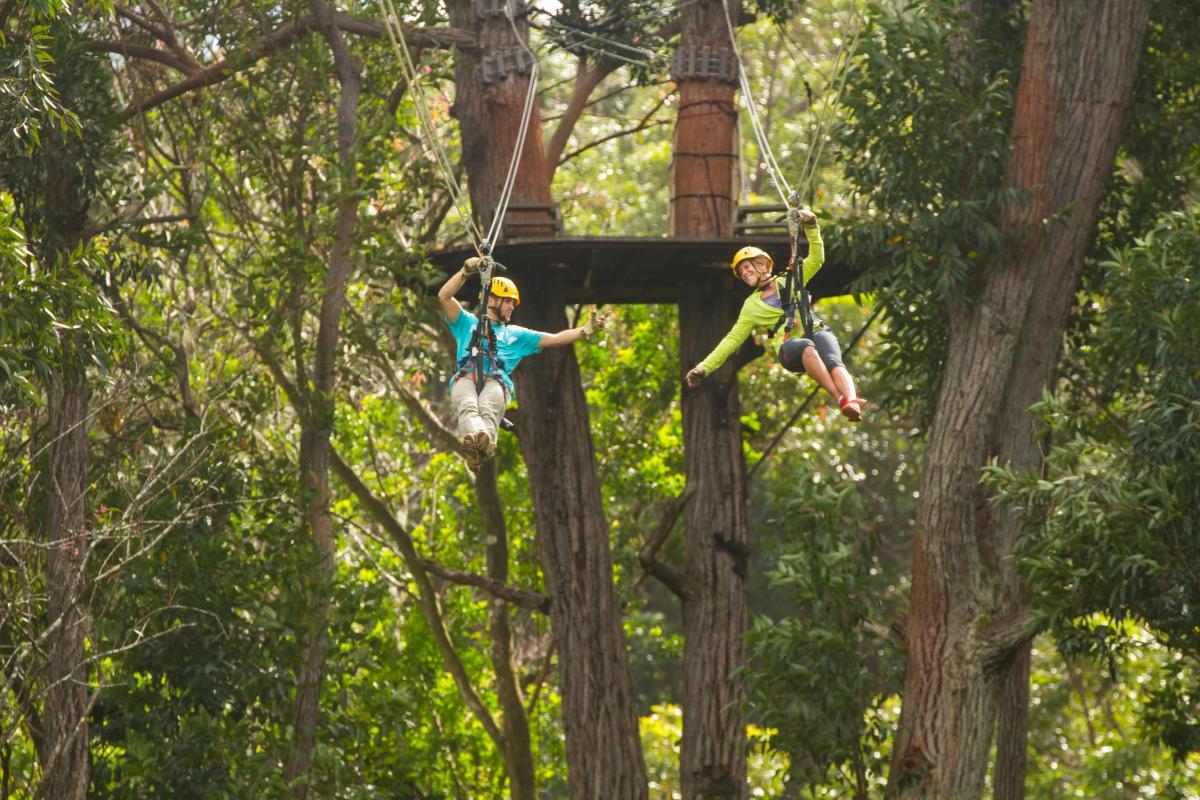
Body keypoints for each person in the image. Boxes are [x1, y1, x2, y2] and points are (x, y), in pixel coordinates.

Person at [684, 209, 866, 421]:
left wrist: (812, 226)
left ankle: (852, 400)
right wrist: (703, 369)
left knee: (834, 361)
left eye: (746, 267)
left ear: (762, 264)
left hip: (815, 329)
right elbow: (731, 341)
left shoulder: (790, 279)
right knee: (806, 347)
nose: (744, 273)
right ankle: (840, 399)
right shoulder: (751, 306)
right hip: (790, 346)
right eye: (741, 272)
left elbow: (816, 259)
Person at [438, 256, 610, 466]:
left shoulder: (516, 334)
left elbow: (554, 338)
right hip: (465, 376)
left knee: (487, 408)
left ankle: (483, 444)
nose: (512, 307)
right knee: (466, 405)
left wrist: (585, 330)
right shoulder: (466, 322)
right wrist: (465, 272)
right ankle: (476, 442)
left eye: (513, 303)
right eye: (508, 301)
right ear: (491, 300)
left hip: (495, 381)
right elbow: (445, 297)